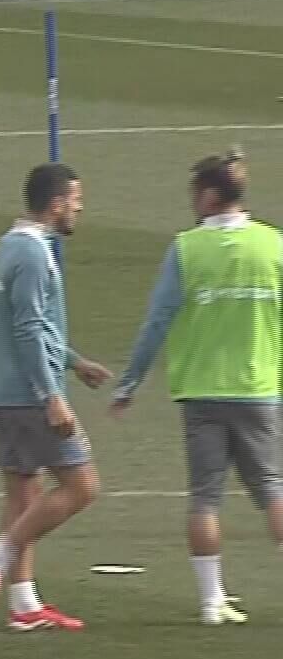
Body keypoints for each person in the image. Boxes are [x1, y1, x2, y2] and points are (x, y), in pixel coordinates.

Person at [112, 150, 283, 625]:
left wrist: (129, 383)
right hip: (259, 387)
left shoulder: (186, 248)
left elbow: (157, 321)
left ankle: (211, 601)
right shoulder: (274, 244)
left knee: (205, 496)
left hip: (202, 390)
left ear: (209, 195)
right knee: (272, 489)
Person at [0, 164, 111, 629]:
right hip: (28, 395)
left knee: (23, 495)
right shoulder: (33, 255)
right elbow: (29, 328)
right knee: (82, 486)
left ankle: (24, 604)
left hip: (1, 391)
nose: (79, 207)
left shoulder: (9, 245)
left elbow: (31, 324)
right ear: (55, 203)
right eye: (75, 199)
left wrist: (74, 361)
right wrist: (51, 394)